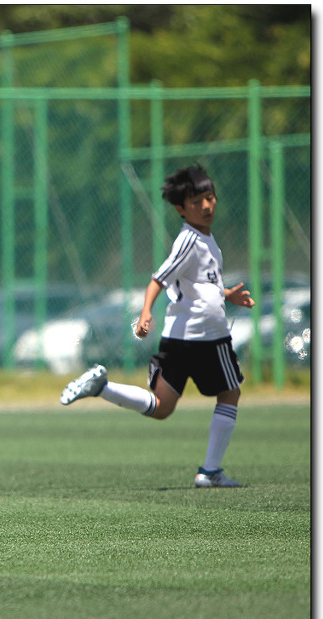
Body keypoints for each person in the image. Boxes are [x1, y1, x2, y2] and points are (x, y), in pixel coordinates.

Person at [60, 164, 255, 488]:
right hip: (207, 337)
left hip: (179, 338)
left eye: (209, 198)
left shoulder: (206, 240)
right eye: (196, 202)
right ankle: (210, 472)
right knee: (230, 392)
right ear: (181, 209)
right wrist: (146, 311)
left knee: (162, 407)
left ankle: (102, 387)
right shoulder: (190, 240)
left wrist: (227, 294)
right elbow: (158, 278)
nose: (206, 206)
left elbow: (199, 285)